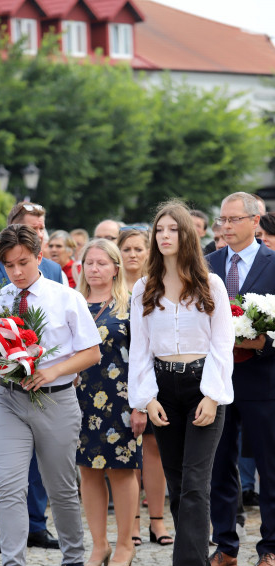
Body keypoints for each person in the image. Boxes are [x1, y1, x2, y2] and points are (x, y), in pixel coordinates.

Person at [0, 224, 101, 566]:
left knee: (61, 487)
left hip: (56, 398)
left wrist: (52, 370)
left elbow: (92, 352)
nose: (17, 272)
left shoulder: (66, 297)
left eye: (23, 262)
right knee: (8, 485)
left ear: (39, 257)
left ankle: (73, 561)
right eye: (8, 265)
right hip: (9, 399)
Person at [129, 200, 234, 566]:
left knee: (194, 483)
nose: (166, 235)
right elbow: (139, 348)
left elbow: (223, 345)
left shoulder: (212, 284)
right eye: (160, 230)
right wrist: (145, 398)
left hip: (202, 386)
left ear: (187, 235)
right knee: (176, 482)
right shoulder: (144, 287)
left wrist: (211, 395)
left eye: (173, 229)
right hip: (162, 388)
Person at [0, 201, 63, 554]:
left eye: (41, 226)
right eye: (30, 226)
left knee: (40, 453)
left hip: (41, 378)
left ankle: (36, 524)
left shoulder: (53, 268)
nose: (38, 232)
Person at [208, 192, 275, 566]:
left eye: (234, 220)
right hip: (217, 379)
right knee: (219, 464)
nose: (227, 227)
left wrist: (261, 342)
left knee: (269, 464)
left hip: (263, 379)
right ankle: (225, 546)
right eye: (223, 220)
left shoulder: (272, 263)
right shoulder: (208, 263)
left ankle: (270, 548)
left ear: (256, 221)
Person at [76, 238, 144, 566]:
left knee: (122, 469)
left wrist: (142, 403)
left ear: (116, 267)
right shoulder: (72, 303)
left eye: (102, 263)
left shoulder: (131, 305)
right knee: (88, 470)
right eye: (90, 263)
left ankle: (124, 544)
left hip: (122, 397)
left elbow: (145, 357)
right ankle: (99, 544)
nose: (95, 269)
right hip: (80, 398)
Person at [117, 227, 173, 547]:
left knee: (153, 450)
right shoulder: (112, 290)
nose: (133, 255)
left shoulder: (156, 287)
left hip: (152, 379)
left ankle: (158, 520)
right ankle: (133, 522)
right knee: (127, 453)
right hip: (115, 383)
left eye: (139, 249)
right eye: (127, 249)